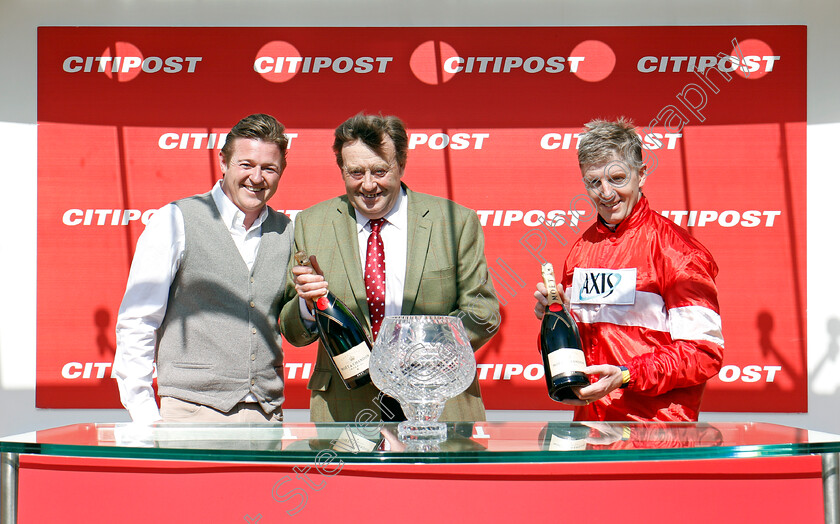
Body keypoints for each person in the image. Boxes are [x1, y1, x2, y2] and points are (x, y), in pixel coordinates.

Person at [279, 113, 500, 422]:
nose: (369, 185)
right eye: (356, 172)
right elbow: (293, 331)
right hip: (347, 410)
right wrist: (305, 304)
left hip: (437, 402)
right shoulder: (310, 224)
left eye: (380, 171)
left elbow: (483, 312)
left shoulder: (455, 222)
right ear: (341, 169)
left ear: (401, 165)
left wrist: (415, 350)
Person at [534, 118, 724, 422]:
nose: (606, 193)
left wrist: (626, 375)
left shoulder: (678, 251)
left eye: (617, 178)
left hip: (656, 435)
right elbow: (579, 351)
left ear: (642, 175)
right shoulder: (581, 249)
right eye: (594, 182)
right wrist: (556, 315)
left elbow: (704, 353)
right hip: (591, 430)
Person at [113, 113, 294, 423]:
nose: (256, 177)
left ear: (281, 172)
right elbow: (139, 320)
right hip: (190, 412)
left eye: (269, 168)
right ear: (223, 161)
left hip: (266, 416)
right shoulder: (175, 220)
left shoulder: (288, 231)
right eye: (246, 164)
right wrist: (143, 411)